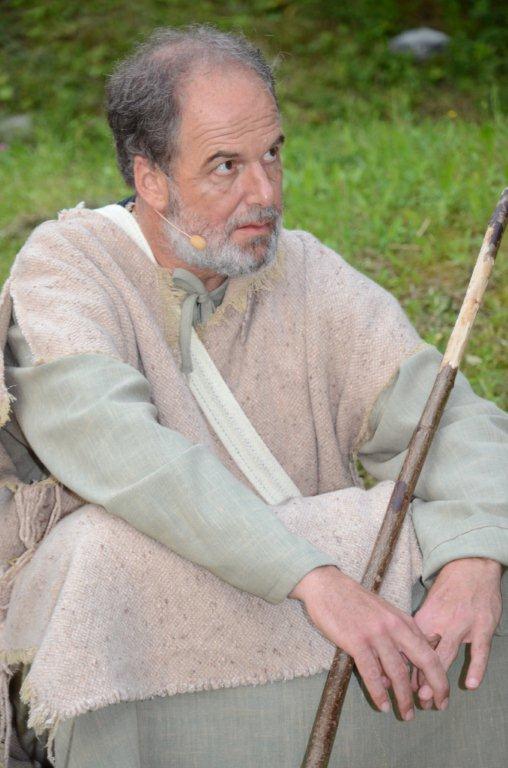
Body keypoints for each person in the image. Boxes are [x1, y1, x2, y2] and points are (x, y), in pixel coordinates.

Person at [0, 25, 506, 768]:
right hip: (159, 601)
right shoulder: (67, 268)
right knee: (101, 554)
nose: (265, 193)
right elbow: (117, 447)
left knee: (480, 529)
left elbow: (448, 422)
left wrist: (475, 559)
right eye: (226, 166)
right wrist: (314, 579)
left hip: (305, 582)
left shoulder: (304, 271)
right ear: (150, 178)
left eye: (272, 153)